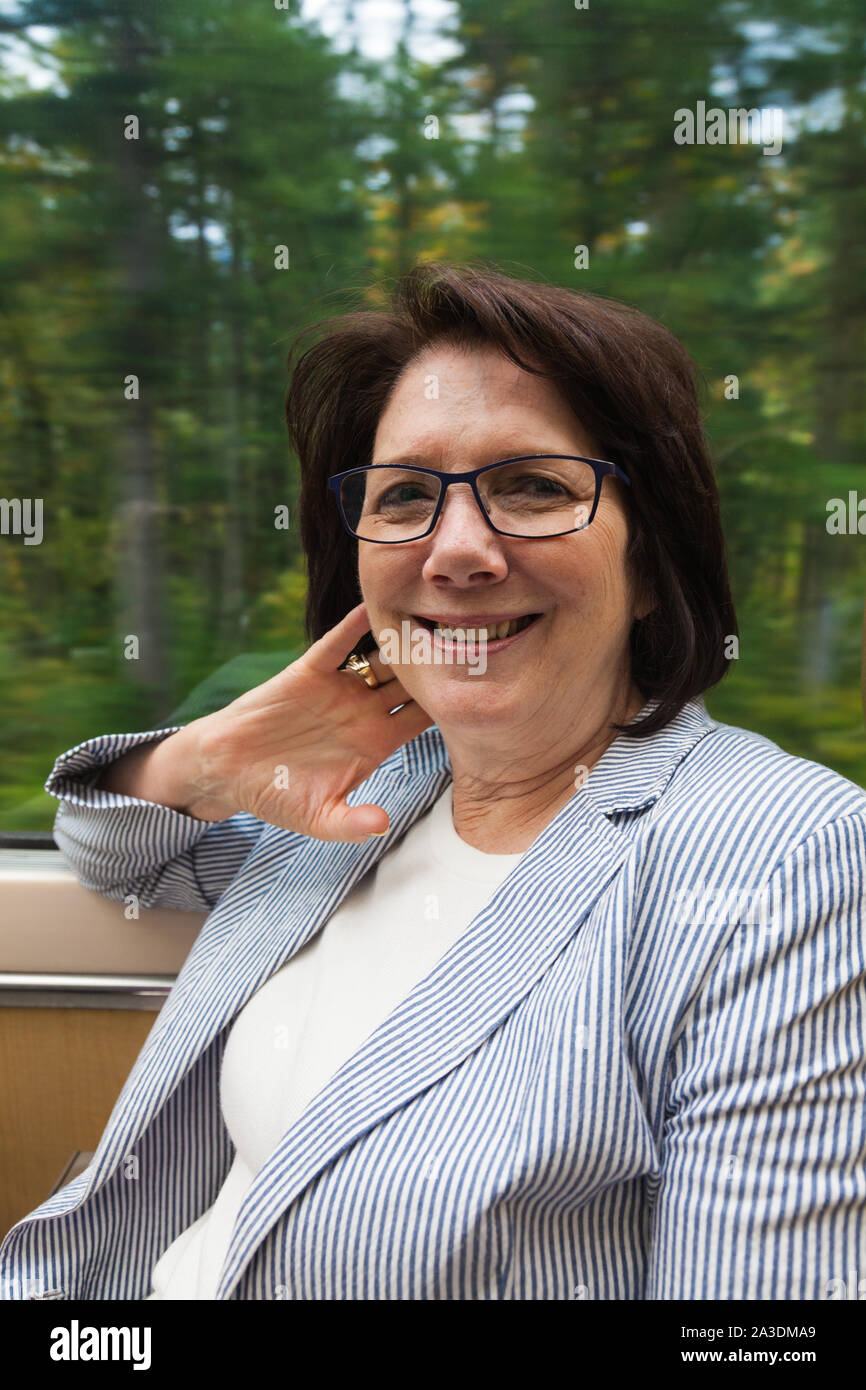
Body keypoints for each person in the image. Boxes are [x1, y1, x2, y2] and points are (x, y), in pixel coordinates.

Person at [2, 261, 864, 1302]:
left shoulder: (783, 854)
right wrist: (213, 757)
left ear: (647, 563)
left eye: (533, 487)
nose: (457, 550)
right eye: (406, 495)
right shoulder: (374, 785)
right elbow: (111, 848)